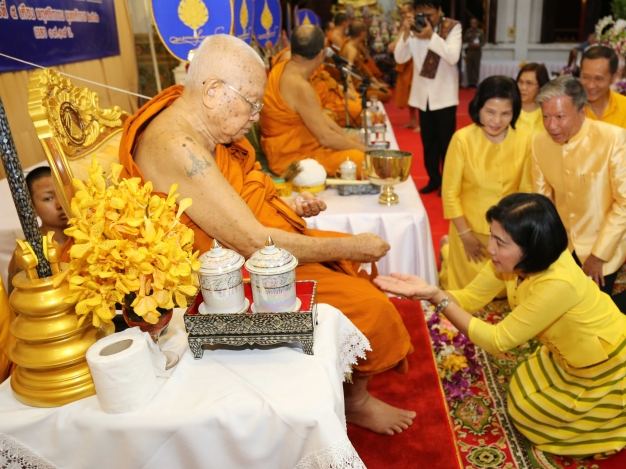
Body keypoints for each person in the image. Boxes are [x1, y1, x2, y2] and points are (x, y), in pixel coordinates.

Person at [119, 33, 416, 436]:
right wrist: (354, 244)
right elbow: (253, 243)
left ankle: (342, 379)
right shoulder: (178, 145)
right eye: (252, 103)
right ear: (211, 91)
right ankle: (356, 401)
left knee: (341, 263)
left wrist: (285, 204)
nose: (257, 116)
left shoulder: (197, 119)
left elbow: (234, 198)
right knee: (370, 305)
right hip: (225, 273)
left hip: (250, 242)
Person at [375, 193, 626, 457]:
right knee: (523, 396)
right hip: (570, 354)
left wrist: (437, 297)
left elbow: (497, 340)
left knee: (538, 420)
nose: (490, 248)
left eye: (500, 242)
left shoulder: (558, 284)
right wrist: (428, 290)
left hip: (608, 359)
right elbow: (471, 298)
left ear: (532, 249)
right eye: (492, 236)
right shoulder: (510, 262)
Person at [527, 76, 626, 326]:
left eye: (560, 117)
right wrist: (542, 251)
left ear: (582, 112)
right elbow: (542, 201)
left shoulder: (614, 139)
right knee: (562, 310)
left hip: (605, 241)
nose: (551, 126)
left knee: (593, 320)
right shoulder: (539, 142)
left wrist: (598, 255)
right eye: (546, 117)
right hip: (564, 242)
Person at [439, 76, 531, 291]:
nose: (496, 121)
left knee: (502, 294)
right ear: (478, 107)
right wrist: (464, 235)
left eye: (505, 113)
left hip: (508, 234)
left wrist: (518, 235)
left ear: (514, 112)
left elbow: (527, 191)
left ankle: (446, 249)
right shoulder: (462, 139)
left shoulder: (525, 139)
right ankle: (449, 249)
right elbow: (449, 193)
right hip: (470, 231)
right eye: (490, 112)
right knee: (465, 293)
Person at [259, 25, 368, 177]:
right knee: (363, 161)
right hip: (292, 159)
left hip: (298, 147)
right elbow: (326, 139)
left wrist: (346, 137)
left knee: (351, 146)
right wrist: (366, 151)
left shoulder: (285, 65)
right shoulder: (300, 86)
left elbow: (317, 114)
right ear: (321, 54)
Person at [580, 46, 626, 233]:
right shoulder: (569, 110)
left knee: (611, 258)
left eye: (599, 79)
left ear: (614, 77)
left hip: (616, 204)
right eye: (585, 77)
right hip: (577, 205)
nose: (590, 85)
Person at [394, 0, 462, 194]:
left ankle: (448, 183)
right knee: (428, 143)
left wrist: (431, 35)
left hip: (444, 96)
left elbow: (452, 57)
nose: (426, 18)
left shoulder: (451, 28)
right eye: (421, 14)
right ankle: (434, 179)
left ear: (439, 11)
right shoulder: (414, 29)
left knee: (446, 144)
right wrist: (406, 32)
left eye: (430, 14)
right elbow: (400, 58)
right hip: (422, 97)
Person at [6, 167, 71, 294]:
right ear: (32, 208)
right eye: (48, 198)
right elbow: (17, 301)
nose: (60, 204)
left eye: (62, 193)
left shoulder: (89, 238)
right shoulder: (27, 251)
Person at [341, 21, 391, 103]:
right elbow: (347, 72)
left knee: (383, 89)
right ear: (362, 34)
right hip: (355, 86)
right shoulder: (352, 50)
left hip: (359, 82)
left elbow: (362, 66)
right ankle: (360, 95)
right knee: (387, 94)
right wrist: (353, 93)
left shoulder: (350, 44)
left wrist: (376, 83)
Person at [389, 2, 418, 129]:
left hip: (416, 63)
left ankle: (422, 122)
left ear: (413, 12)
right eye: (402, 13)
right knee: (409, 93)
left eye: (407, 12)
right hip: (406, 62)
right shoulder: (404, 26)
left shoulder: (419, 24)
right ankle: (412, 119)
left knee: (418, 93)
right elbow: (397, 42)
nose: (404, 15)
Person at [515, 62, 548, 135]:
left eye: (529, 83)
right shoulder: (510, 110)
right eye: (520, 82)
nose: (523, 87)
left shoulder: (547, 114)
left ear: (541, 86)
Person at [463, 17, 485, 88]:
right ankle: (470, 82)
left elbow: (483, 42)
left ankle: (475, 83)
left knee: (476, 67)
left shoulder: (480, 32)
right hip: (470, 51)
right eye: (472, 23)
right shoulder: (468, 31)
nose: (473, 24)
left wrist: (478, 45)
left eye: (474, 23)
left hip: (477, 52)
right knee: (469, 67)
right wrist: (467, 36)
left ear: (477, 23)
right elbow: (464, 39)